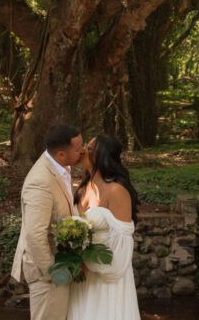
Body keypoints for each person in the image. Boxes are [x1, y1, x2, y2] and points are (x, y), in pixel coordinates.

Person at [12, 123, 84, 320]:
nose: (83, 151)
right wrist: (51, 272)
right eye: (78, 149)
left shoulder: (61, 167)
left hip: (60, 263)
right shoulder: (40, 181)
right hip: (48, 271)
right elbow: (35, 234)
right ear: (61, 154)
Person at [67, 134, 141, 320]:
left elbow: (122, 248)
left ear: (103, 155)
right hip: (82, 279)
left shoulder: (117, 190)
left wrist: (86, 264)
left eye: (90, 147)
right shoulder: (84, 187)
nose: (83, 150)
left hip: (106, 282)